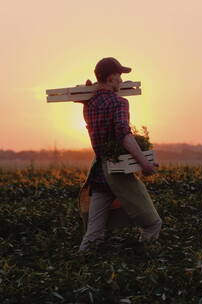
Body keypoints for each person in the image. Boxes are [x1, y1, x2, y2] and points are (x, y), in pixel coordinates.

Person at [75, 57, 162, 252]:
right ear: (112, 76)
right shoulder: (119, 102)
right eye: (119, 75)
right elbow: (124, 135)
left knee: (93, 233)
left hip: (99, 173)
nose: (121, 80)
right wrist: (144, 164)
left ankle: (80, 266)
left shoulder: (89, 105)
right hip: (118, 173)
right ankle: (143, 263)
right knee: (152, 223)